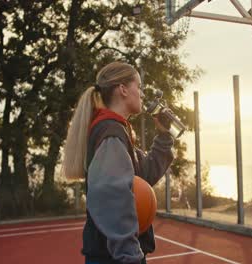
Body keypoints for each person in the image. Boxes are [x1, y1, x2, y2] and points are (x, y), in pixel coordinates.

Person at [62, 62, 174, 264]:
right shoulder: (111, 134)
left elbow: (145, 175)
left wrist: (164, 135)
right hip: (115, 257)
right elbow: (113, 200)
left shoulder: (117, 131)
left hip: (115, 255)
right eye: (138, 87)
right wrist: (130, 255)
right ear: (123, 89)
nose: (141, 94)